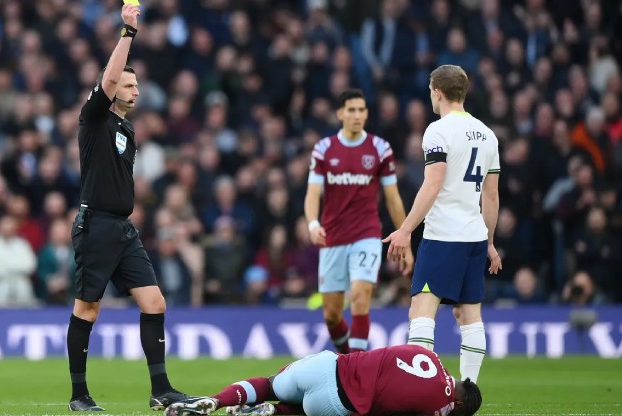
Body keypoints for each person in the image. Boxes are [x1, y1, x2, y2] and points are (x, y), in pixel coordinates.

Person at [65, 4, 189, 412]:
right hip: (96, 225)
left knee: (155, 302)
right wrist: (128, 31)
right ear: (111, 88)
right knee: (88, 307)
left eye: (136, 87)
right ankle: (79, 396)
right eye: (129, 86)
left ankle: (161, 390)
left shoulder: (126, 127)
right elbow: (111, 76)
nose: (135, 91)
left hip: (123, 228)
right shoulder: (94, 118)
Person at [383, 65, 502, 383]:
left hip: (443, 237)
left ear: (437, 92)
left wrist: (406, 229)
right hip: (475, 238)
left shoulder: (438, 130)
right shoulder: (488, 135)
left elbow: (432, 185)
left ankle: (421, 389)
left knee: (421, 313)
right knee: (470, 316)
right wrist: (490, 242)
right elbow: (491, 196)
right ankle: (470, 390)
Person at [304, 89, 413, 353]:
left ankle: (357, 371)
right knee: (331, 315)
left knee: (361, 297)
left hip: (366, 235)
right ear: (340, 113)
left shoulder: (379, 148)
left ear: (366, 113)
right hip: (332, 238)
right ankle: (346, 359)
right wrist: (313, 224)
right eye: (351, 110)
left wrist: (405, 237)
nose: (357, 115)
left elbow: (393, 199)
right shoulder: (324, 149)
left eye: (361, 110)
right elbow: (312, 194)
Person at [165, 344, 481, 416]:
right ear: (459, 402)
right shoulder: (439, 405)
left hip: (325, 364)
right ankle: (270, 413)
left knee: (270, 382)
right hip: (336, 402)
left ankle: (219, 400)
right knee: (302, 412)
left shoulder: (428, 353)